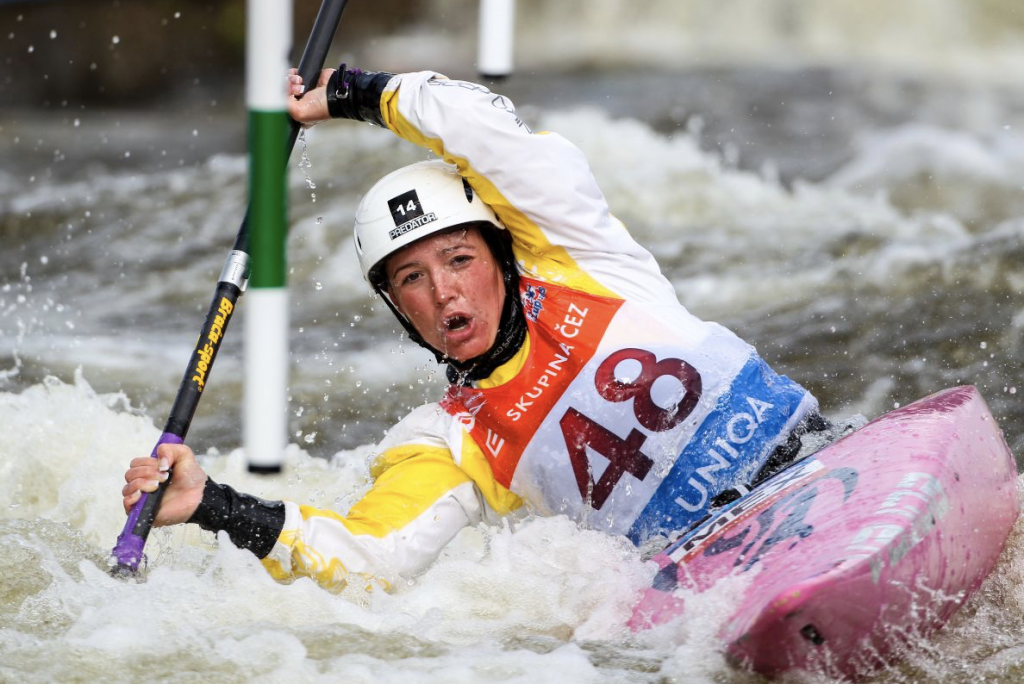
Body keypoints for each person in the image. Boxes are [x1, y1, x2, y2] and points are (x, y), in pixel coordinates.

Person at [122, 66, 826, 592]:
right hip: (714, 574)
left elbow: (485, 133)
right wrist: (212, 504)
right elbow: (372, 557)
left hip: (815, 464)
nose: (443, 291)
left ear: (500, 255)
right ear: (399, 309)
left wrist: (351, 93)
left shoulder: (582, 260)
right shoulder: (452, 438)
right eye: (411, 280)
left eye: (458, 259)